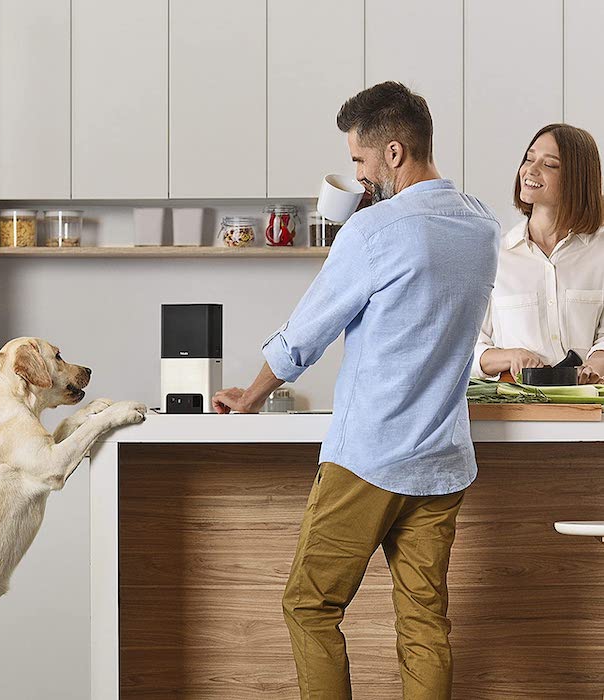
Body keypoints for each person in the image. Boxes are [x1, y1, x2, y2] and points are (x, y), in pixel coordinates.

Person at [212, 81, 500, 699]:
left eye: (360, 161)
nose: (360, 175)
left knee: (310, 605)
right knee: (424, 624)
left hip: (368, 457)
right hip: (442, 461)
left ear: (394, 153)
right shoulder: (482, 226)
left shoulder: (374, 232)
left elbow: (305, 334)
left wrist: (254, 394)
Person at [473, 123, 604, 383]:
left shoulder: (599, 252)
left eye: (549, 165)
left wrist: (597, 361)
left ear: (578, 178)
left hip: (588, 413)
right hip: (515, 414)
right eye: (529, 159)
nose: (530, 170)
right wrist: (510, 356)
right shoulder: (495, 255)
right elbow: (469, 347)